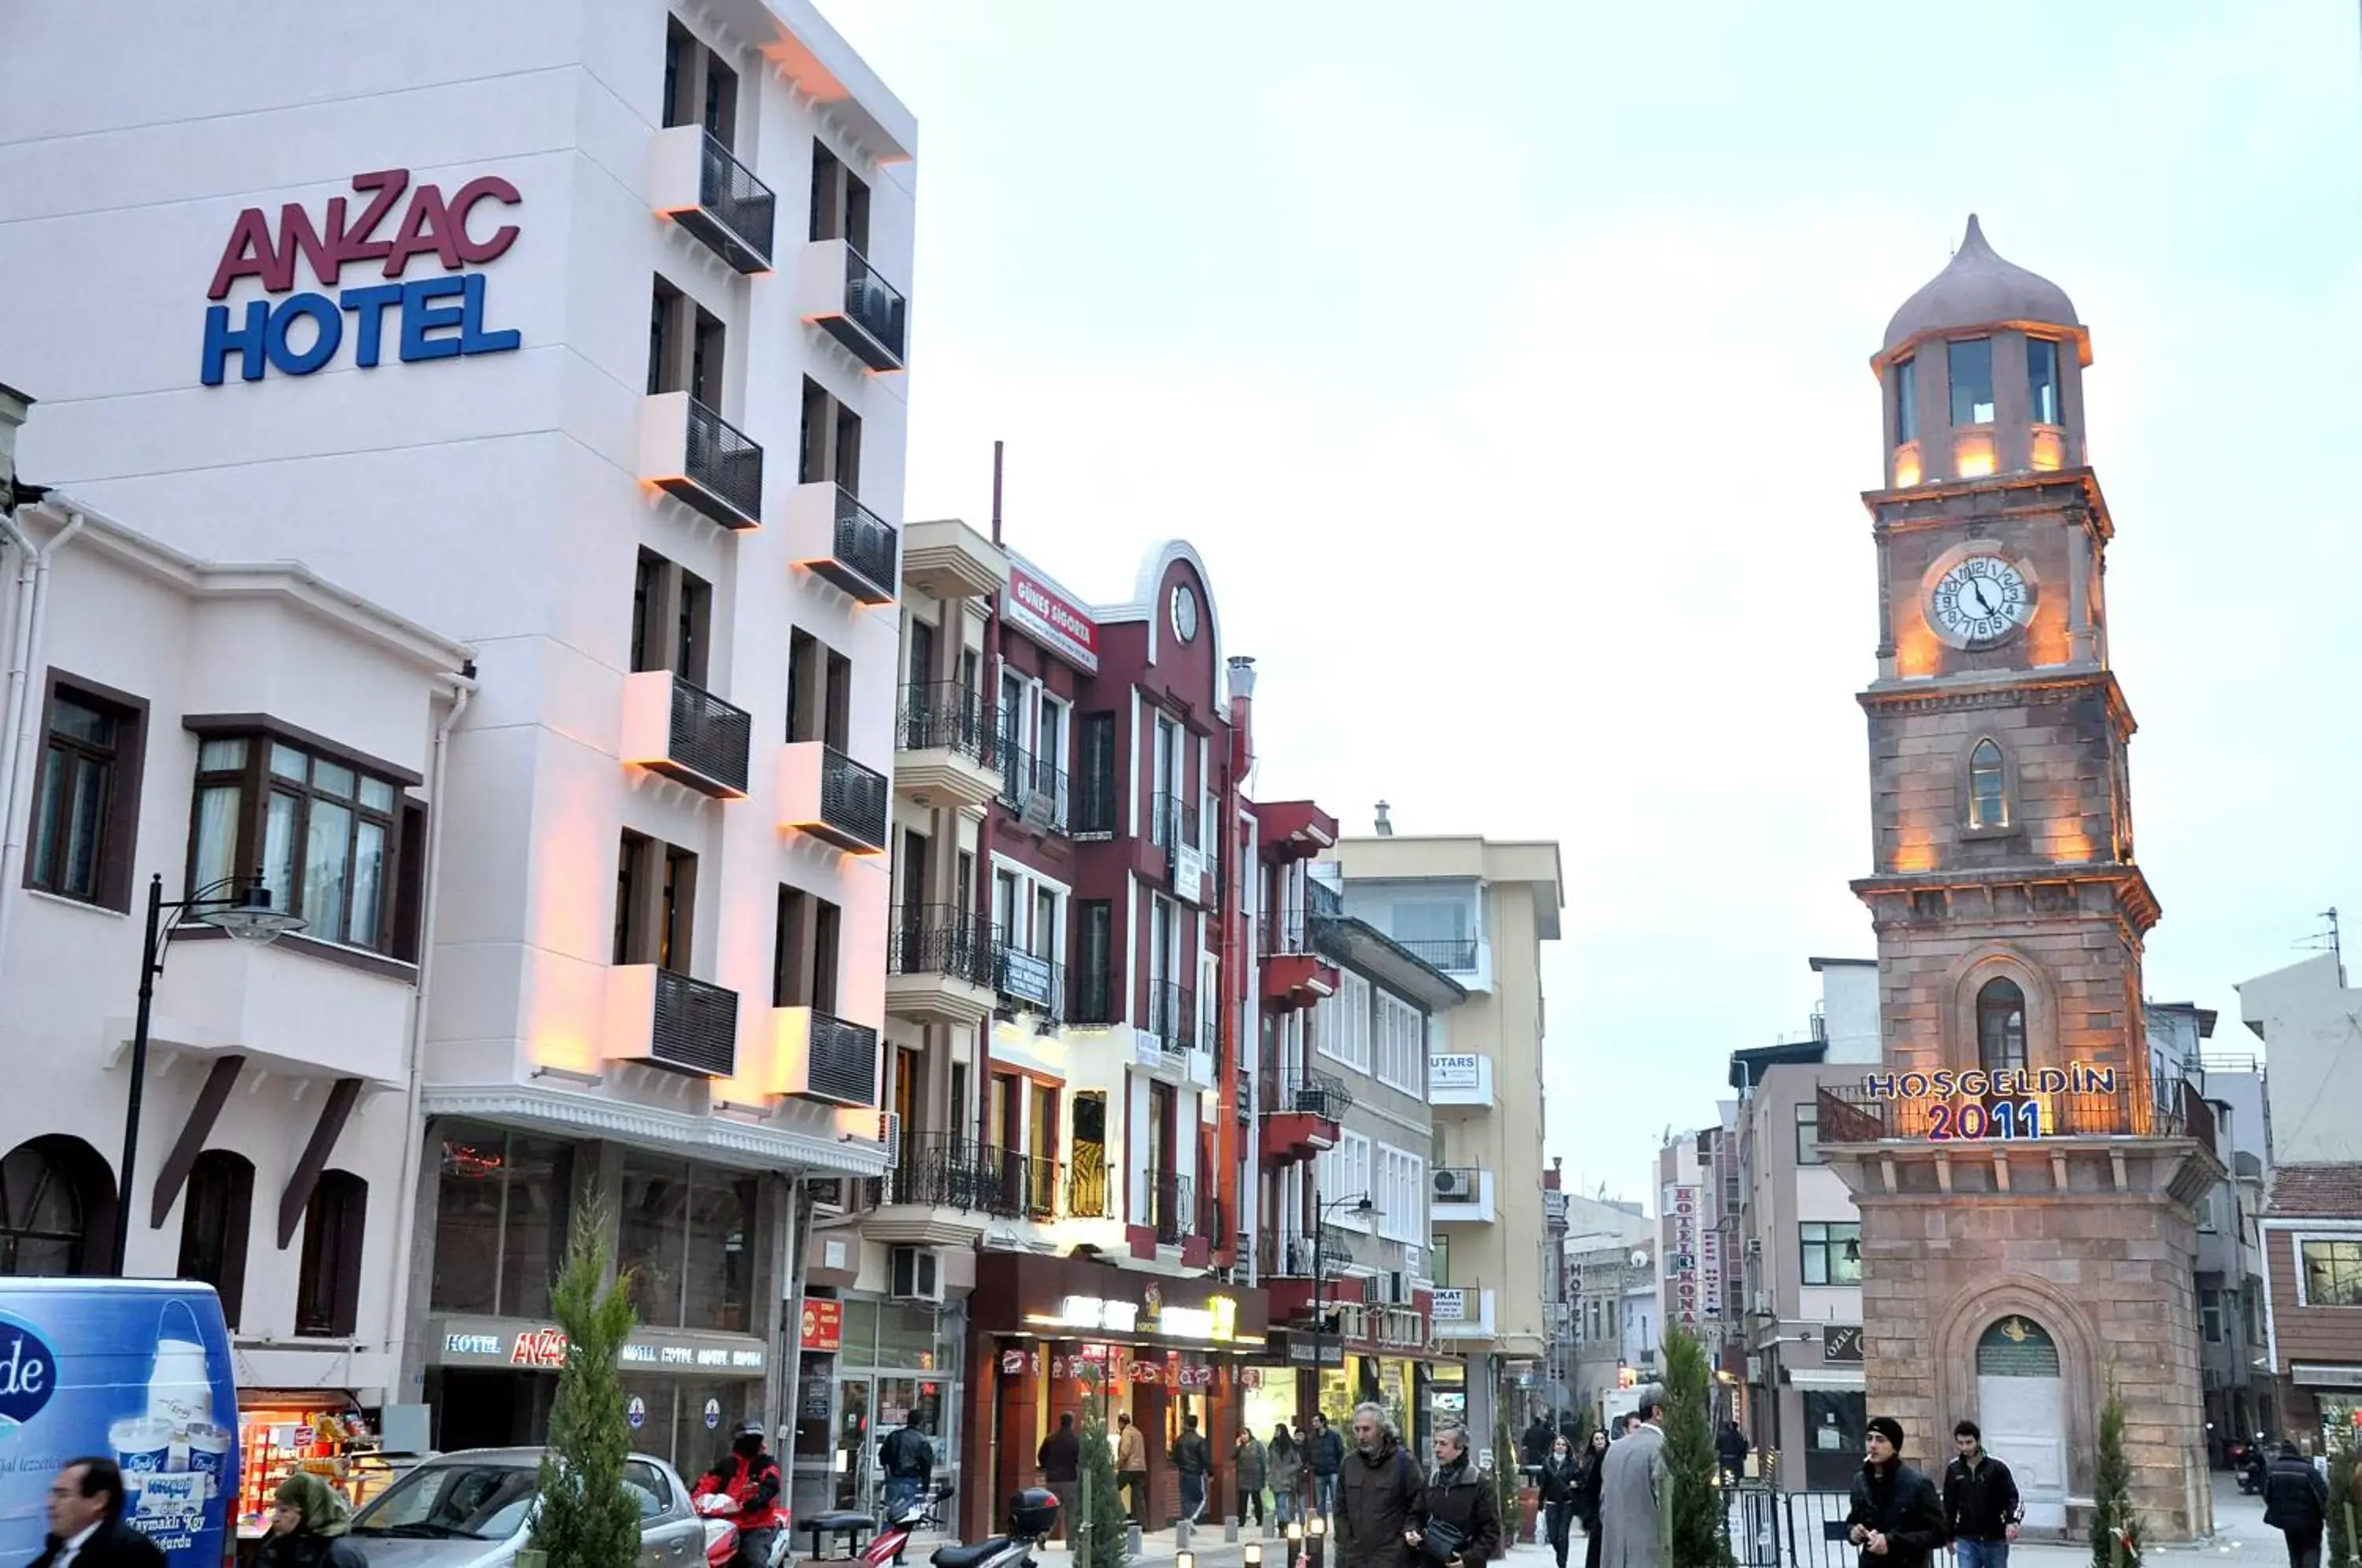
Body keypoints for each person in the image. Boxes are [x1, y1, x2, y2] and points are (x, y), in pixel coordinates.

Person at [1844, 1417, 1946, 1568]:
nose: (1873, 1445)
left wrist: (1892, 1541)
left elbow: (1939, 1534)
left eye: (1880, 1440)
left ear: (1895, 1447)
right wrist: (1854, 1532)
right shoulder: (1860, 1481)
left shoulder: (1918, 1483)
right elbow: (1853, 1519)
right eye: (1869, 1438)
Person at [30, 1458, 167, 1568]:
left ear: (99, 1501)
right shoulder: (58, 1546)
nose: (50, 1504)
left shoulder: (132, 1553)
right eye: (53, 1494)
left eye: (63, 1495)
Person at [1335, 1403, 1422, 1568]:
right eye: (1357, 1429)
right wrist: (1346, 1544)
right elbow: (1340, 1510)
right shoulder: (1349, 1464)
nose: (1361, 1435)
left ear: (1382, 1430)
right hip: (1355, 1557)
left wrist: (1410, 1531)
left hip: (1392, 1557)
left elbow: (1418, 1504)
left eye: (1367, 1429)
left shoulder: (1404, 1462)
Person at [694, 1420, 786, 1568]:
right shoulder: (727, 1465)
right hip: (724, 1522)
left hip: (755, 1524)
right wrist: (692, 1499)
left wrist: (758, 1499)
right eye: (746, 1440)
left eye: (755, 1440)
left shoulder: (767, 1464)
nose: (750, 1444)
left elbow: (771, 1484)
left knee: (753, 1560)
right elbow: (706, 1482)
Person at [1411, 1423, 1502, 1568]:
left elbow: (1491, 1530)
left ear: (1460, 1448)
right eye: (1435, 1443)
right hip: (1431, 1561)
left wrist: (1469, 1559)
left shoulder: (1479, 1484)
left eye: (1443, 1444)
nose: (1437, 1449)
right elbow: (1416, 1515)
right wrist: (1412, 1532)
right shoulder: (1431, 1482)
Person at [1597, 1393, 1667, 1568]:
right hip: (1648, 1556)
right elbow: (1667, 1507)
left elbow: (1604, 1506)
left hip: (1614, 1555)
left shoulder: (1614, 1450)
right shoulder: (1662, 1449)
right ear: (1658, 1413)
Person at [1942, 1419, 2022, 1568]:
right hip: (1967, 1538)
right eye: (1960, 1443)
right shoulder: (1954, 1470)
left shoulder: (1997, 1469)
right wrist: (1948, 1535)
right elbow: (1949, 1505)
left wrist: (2012, 1522)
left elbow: (2014, 1497)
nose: (1965, 1447)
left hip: (1995, 1538)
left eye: (1969, 1442)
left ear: (1977, 1441)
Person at [258, 1473, 368, 1568]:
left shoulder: (338, 1557)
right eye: (276, 1509)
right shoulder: (276, 1544)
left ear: (309, 1512)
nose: (275, 1518)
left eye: (284, 1510)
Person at [2263, 1440, 2330, 1568]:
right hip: (2310, 1520)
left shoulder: (2272, 1470)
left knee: (2294, 1552)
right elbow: (2322, 1494)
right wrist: (2325, 1513)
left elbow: (2267, 1494)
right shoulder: (2308, 1470)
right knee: (2311, 1550)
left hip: (2287, 1519)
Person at [879, 1409, 935, 1534]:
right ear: (921, 1423)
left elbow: (883, 1457)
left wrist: (888, 1472)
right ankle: (898, 1548)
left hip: (893, 1480)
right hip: (910, 1481)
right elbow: (927, 1466)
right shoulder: (922, 1440)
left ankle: (886, 1542)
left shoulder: (894, 1436)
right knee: (904, 1517)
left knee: (890, 1514)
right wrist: (925, 1487)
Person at [1538, 1433, 1583, 1568]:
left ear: (1567, 1448)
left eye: (1563, 1445)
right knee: (1552, 1536)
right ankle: (1560, 1555)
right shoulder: (1547, 1462)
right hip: (1551, 1503)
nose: (1561, 1447)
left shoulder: (1572, 1463)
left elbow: (1580, 1479)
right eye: (1558, 1444)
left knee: (1563, 1534)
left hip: (1566, 1503)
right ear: (1553, 1447)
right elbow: (1543, 1485)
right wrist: (1540, 1503)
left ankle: (1562, 1563)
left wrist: (1575, 1484)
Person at [1038, 1412, 1082, 1542]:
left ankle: (1043, 1534)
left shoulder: (1050, 1439)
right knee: (1071, 1511)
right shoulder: (1075, 1441)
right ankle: (1071, 1541)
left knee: (1052, 1510)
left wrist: (1048, 1468)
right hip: (1069, 1480)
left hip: (1052, 1479)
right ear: (1072, 1423)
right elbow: (1079, 1460)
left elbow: (1041, 1456)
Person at [1573, 1429, 1609, 1568]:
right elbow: (1589, 1485)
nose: (1600, 1441)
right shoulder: (1588, 1460)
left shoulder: (1610, 1455)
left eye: (1602, 1439)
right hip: (1595, 1508)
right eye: (1597, 1439)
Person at [1172, 1414, 1212, 1525]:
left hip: (1183, 1473)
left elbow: (1174, 1457)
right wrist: (1210, 1473)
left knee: (1185, 1498)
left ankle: (1186, 1520)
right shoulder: (1200, 1440)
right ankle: (1192, 1520)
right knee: (1201, 1499)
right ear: (1196, 1425)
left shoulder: (1180, 1440)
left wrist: (1181, 1466)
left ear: (1185, 1424)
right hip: (1195, 1473)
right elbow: (1205, 1458)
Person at [1116, 1411, 1150, 1526]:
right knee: (1138, 1495)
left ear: (1121, 1423)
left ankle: (1119, 1516)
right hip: (1141, 1468)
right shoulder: (1138, 1432)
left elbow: (1125, 1451)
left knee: (1113, 1488)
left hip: (1129, 1468)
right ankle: (1142, 1522)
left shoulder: (1126, 1432)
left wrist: (1117, 1465)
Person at [1311, 1413, 1346, 1518]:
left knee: (1335, 1500)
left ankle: (1338, 1528)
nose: (1314, 1424)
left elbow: (1340, 1451)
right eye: (1313, 1422)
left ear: (1323, 1422)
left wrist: (1337, 1465)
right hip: (1319, 1473)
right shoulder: (1312, 1438)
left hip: (1332, 1471)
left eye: (1316, 1421)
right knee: (1320, 1503)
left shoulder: (1334, 1436)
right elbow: (1310, 1453)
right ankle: (1321, 1529)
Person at [1269, 1425, 1305, 1529]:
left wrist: (1287, 1470)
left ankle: (1289, 1525)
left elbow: (1298, 1463)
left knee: (1281, 1504)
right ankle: (1281, 1527)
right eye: (1275, 1430)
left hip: (1286, 1480)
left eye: (1278, 1430)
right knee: (1277, 1506)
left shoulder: (1290, 1446)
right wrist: (1269, 1473)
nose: (1275, 1432)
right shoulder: (1272, 1446)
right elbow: (1269, 1461)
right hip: (1274, 1479)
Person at [1235, 1426, 1268, 1528]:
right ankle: (1241, 1520)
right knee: (1242, 1500)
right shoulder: (1240, 1447)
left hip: (1255, 1476)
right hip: (1243, 1476)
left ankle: (1260, 1519)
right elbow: (1234, 1458)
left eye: (1245, 1434)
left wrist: (1264, 1476)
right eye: (1241, 1435)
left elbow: (1263, 1460)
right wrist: (1237, 1447)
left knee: (1256, 1499)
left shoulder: (1257, 1445)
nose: (1243, 1437)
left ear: (1249, 1434)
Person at [1716, 1421, 1749, 1487]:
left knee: (1724, 1474)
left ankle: (1725, 1486)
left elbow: (1717, 1446)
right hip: (1735, 1459)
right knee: (1735, 1474)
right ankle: (1735, 1484)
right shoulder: (1737, 1435)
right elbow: (1741, 1446)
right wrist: (1743, 1455)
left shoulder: (1721, 1435)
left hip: (1724, 1458)